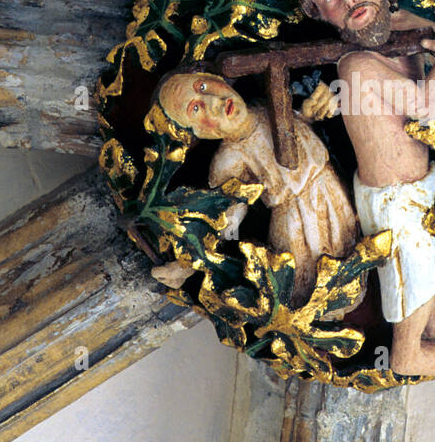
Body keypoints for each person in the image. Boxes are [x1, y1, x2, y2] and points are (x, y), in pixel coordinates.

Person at [298, 0, 435, 378]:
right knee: (412, 264)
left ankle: (430, 325)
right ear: (323, 16)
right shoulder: (355, 67)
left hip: (420, 183)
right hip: (391, 196)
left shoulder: (405, 26)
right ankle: (407, 352)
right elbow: (428, 105)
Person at [151, 70, 357, 306]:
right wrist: (191, 262)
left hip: (331, 191)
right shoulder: (229, 160)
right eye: (196, 109)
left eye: (203, 87)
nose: (213, 103)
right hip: (297, 221)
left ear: (218, 79)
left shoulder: (269, 102)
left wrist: (316, 106)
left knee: (348, 257)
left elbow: (304, 119)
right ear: (201, 132)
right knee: (311, 286)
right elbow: (227, 218)